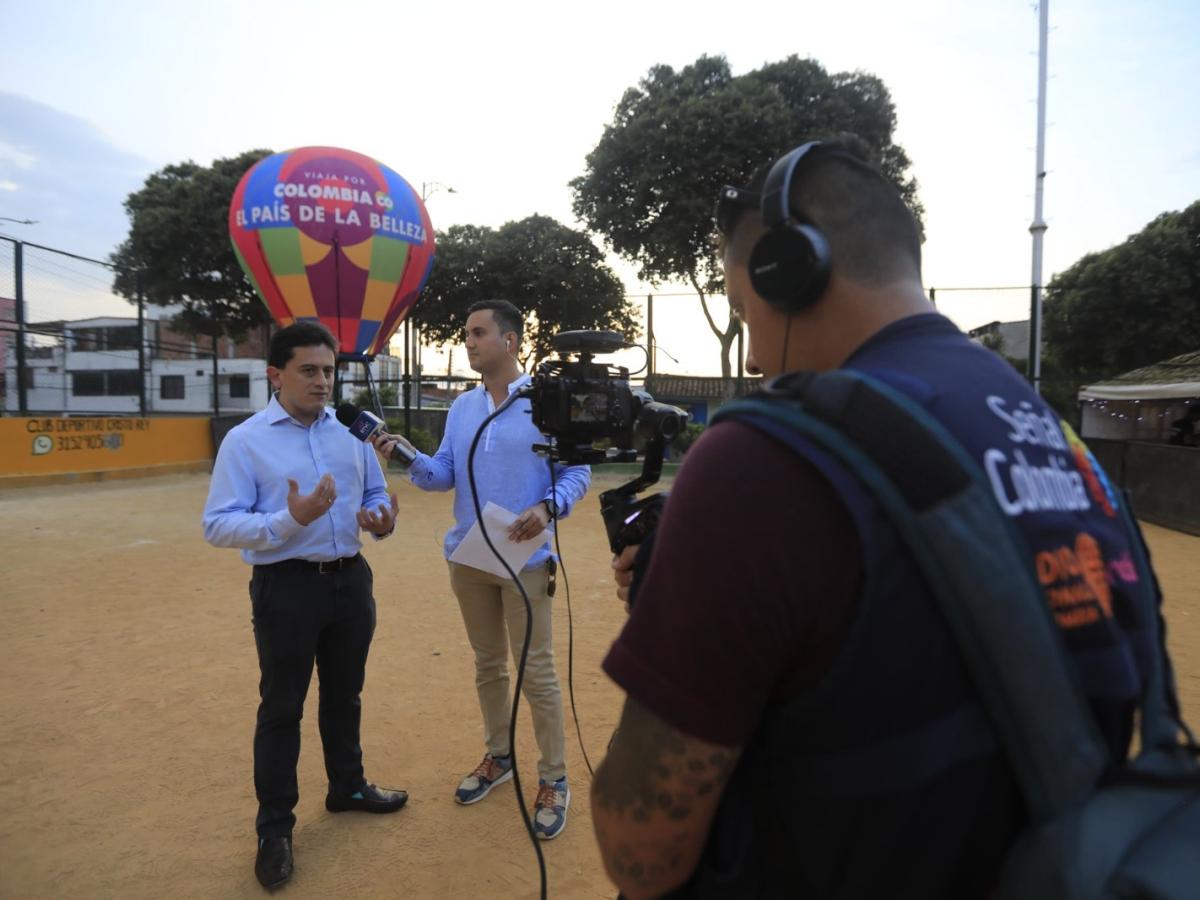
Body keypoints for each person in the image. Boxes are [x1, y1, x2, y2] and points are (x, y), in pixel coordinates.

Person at [591, 137, 1158, 898]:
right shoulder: (1046, 429)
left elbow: (639, 849)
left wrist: (686, 601)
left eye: (741, 310)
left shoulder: (762, 459)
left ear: (790, 274)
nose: (755, 358)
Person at [374, 300, 590, 840]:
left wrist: (547, 508)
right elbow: (442, 474)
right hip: (469, 558)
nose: (468, 342)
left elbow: (577, 469)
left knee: (536, 674)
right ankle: (500, 756)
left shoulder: (546, 402)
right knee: (488, 664)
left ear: (511, 340)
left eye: (478, 333)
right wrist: (403, 454)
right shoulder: (462, 408)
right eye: (466, 334)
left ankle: (554, 779)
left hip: (527, 558)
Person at [202, 321, 408, 890]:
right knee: (282, 707)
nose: (323, 382)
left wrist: (383, 519)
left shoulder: (351, 435)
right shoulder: (245, 441)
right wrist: (291, 519)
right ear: (276, 374)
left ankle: (348, 787)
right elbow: (217, 525)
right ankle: (275, 830)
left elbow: (372, 495)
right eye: (309, 371)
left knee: (345, 695)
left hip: (350, 583)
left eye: (329, 370)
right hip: (285, 587)